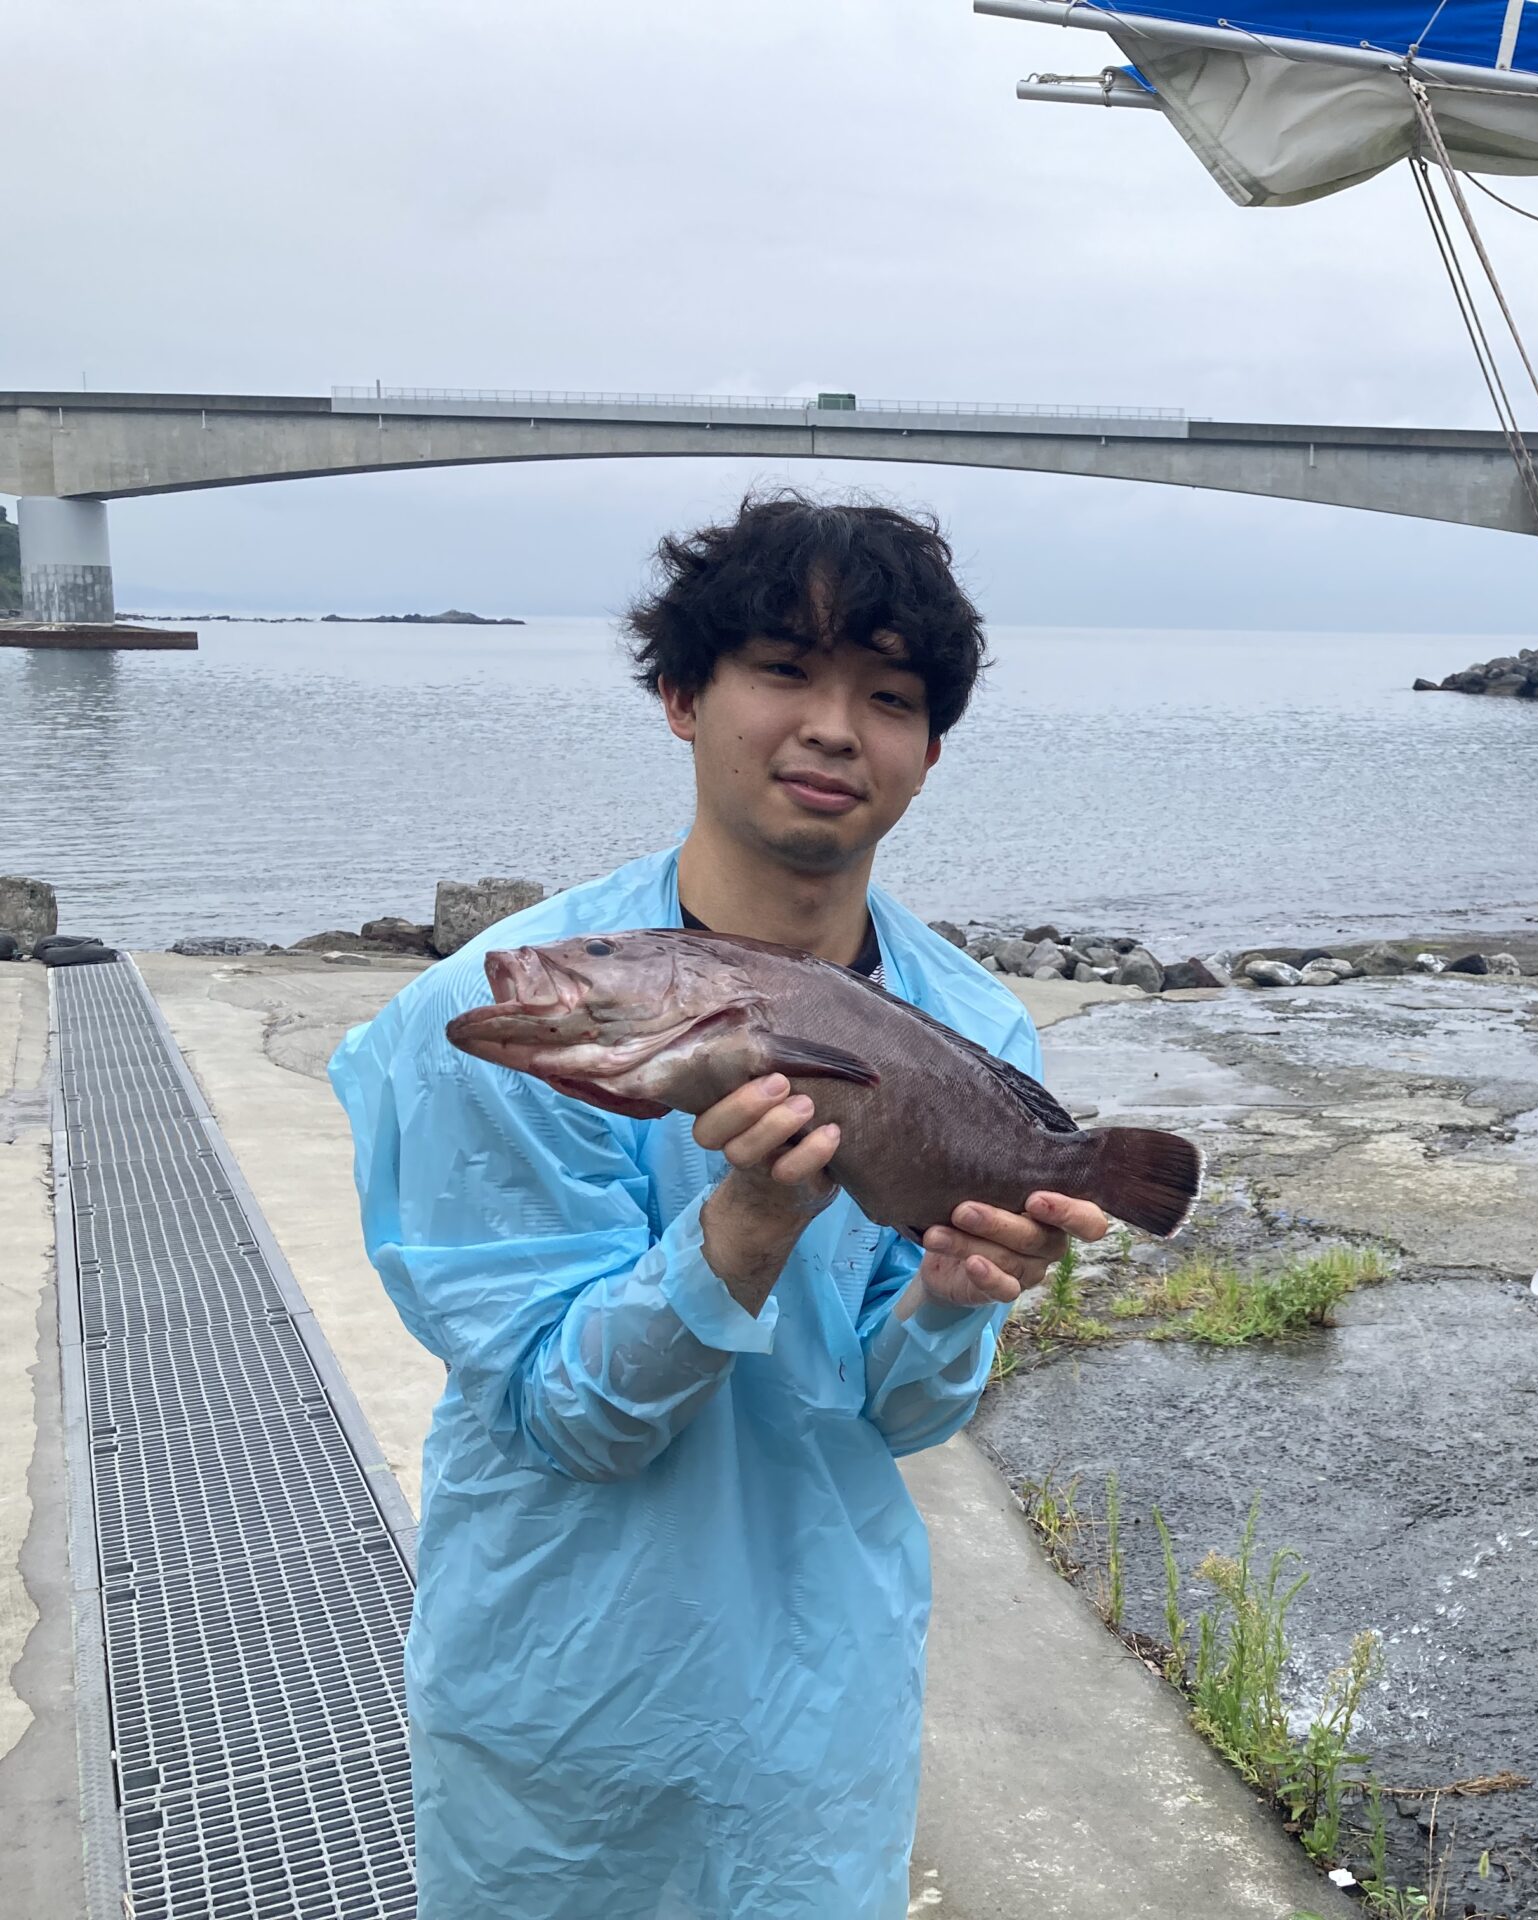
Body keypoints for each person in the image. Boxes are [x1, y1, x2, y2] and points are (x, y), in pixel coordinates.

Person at [329, 493, 1108, 1919]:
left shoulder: (971, 1031)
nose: (834, 729)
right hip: (563, 1687)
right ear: (682, 698)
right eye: (784, 672)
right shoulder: (506, 1015)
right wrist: (742, 1232)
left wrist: (951, 1297)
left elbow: (900, 1416)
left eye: (889, 696)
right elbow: (569, 1416)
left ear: (929, 752)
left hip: (826, 1698)